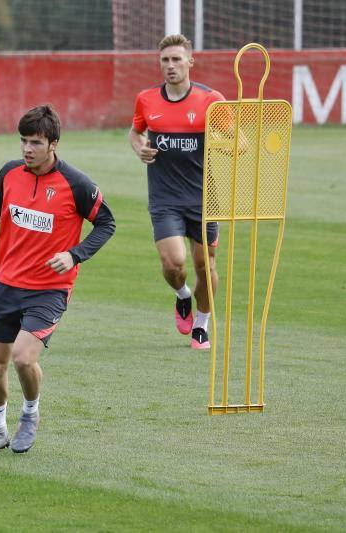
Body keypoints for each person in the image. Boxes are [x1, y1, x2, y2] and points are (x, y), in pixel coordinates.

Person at [0, 104, 115, 453]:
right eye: (23, 141)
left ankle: (30, 414)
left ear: (54, 144)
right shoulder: (10, 173)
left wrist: (74, 255)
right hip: (7, 283)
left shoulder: (76, 184)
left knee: (24, 358)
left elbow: (107, 223)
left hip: (49, 289)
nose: (27, 149)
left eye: (36, 143)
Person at [128, 33, 225, 350]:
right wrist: (139, 148)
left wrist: (225, 145)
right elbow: (135, 132)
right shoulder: (147, 99)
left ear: (190, 62)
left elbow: (238, 141)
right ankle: (182, 296)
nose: (170, 66)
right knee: (174, 264)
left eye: (176, 59)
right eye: (165, 60)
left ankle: (201, 324)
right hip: (165, 199)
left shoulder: (211, 100)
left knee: (205, 267)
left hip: (203, 199)